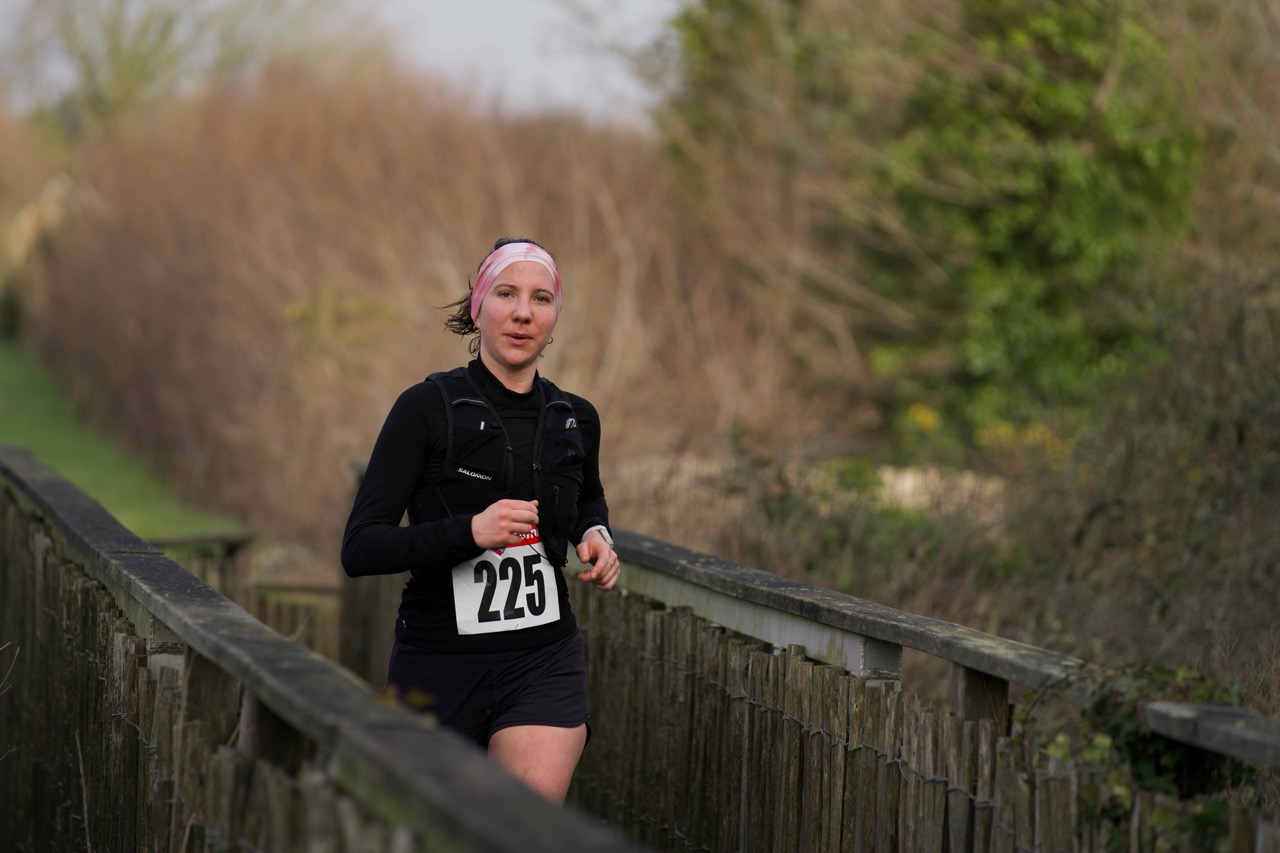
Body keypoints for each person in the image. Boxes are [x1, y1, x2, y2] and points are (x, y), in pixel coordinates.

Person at [341, 237, 620, 804]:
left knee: (522, 830)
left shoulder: (575, 417)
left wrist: (596, 534)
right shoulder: (425, 408)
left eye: (541, 298)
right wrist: (470, 533)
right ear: (478, 306)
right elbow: (361, 547)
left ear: (555, 317)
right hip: (437, 665)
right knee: (432, 833)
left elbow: (587, 496)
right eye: (506, 294)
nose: (523, 313)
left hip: (544, 661)